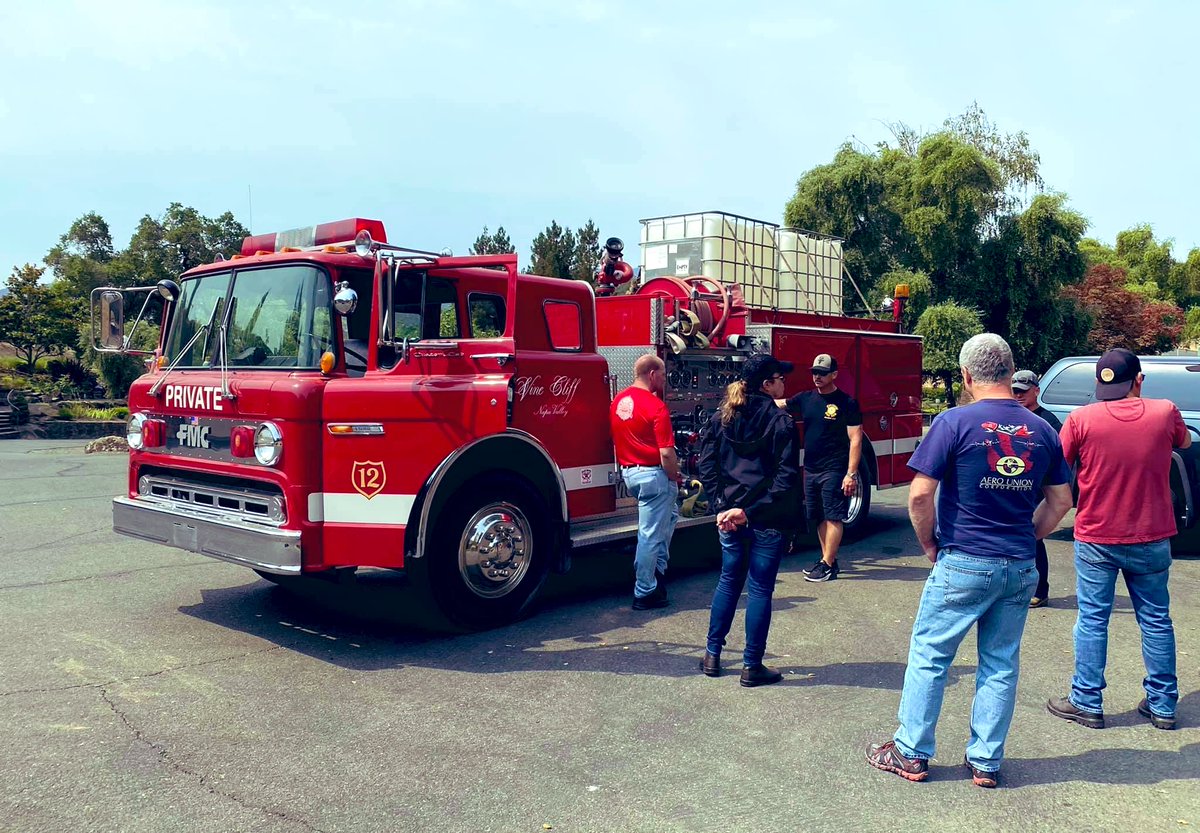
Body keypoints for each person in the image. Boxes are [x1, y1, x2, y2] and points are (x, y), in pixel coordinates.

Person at [865, 333, 1073, 788]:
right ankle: (985, 761)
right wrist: (1029, 534)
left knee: (931, 655)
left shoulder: (953, 422)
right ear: (1010, 370)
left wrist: (930, 546)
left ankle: (911, 753)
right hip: (1018, 565)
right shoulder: (1042, 430)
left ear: (966, 376)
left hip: (964, 559)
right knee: (1000, 663)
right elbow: (1060, 501)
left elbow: (920, 495)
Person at [1047, 348, 1191, 731]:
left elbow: (1057, 466)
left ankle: (1087, 701)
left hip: (1097, 535)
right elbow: (1185, 444)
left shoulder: (1081, 418)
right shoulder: (1165, 412)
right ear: (1139, 380)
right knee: (1156, 619)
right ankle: (1162, 705)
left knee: (1093, 620)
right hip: (1153, 533)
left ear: (1100, 384)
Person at [698, 354, 801, 687]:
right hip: (766, 517)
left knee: (729, 582)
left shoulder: (721, 417)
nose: (784, 384)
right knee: (759, 590)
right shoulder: (781, 422)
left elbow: (707, 466)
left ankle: (712, 655)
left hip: (729, 516)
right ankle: (751, 665)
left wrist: (720, 506)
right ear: (768, 384)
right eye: (779, 378)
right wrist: (749, 512)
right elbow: (785, 480)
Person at [610, 353, 680, 610]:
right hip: (654, 475)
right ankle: (645, 590)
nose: (665, 378)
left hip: (631, 473)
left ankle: (656, 572)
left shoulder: (618, 401)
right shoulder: (655, 406)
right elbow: (666, 453)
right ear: (652, 374)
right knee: (650, 534)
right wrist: (675, 476)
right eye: (662, 373)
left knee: (668, 518)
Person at [784, 353, 863, 582]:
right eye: (814, 372)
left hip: (834, 469)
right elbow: (782, 404)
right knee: (818, 516)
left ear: (834, 375)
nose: (817, 377)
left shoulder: (847, 403)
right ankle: (827, 559)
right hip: (811, 468)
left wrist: (851, 474)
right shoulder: (805, 398)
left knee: (834, 515)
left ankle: (827, 564)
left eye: (822, 373)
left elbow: (855, 439)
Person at [1012, 369, 1062, 607]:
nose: (1018, 395)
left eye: (1023, 391)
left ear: (1036, 391)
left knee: (1034, 537)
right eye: (1015, 391)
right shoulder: (1010, 417)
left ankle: (1040, 590)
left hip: (1040, 488)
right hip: (1015, 484)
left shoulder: (1048, 422)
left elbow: (1061, 458)